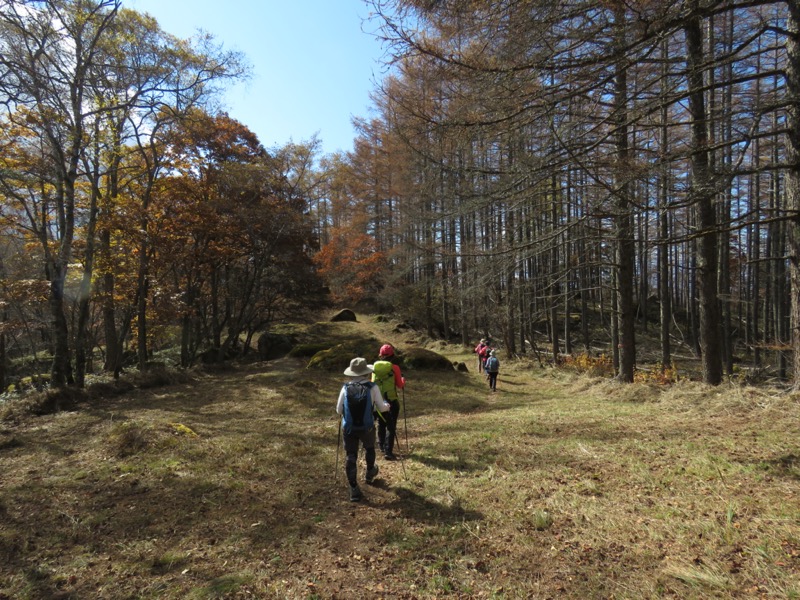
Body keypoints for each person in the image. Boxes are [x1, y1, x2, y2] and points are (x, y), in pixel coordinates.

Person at [336, 357, 391, 502]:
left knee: (351, 455)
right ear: (366, 372)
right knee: (370, 448)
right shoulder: (373, 387)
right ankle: (370, 472)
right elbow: (382, 408)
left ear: (352, 373)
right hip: (367, 426)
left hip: (349, 427)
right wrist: (387, 405)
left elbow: (338, 410)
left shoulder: (345, 387)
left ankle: (353, 488)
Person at [371, 343, 405, 461]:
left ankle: (381, 445)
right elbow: (399, 385)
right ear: (392, 355)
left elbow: (372, 383)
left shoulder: (374, 367)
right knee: (391, 426)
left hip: (378, 400)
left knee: (381, 422)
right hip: (391, 400)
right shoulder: (395, 368)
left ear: (380, 355)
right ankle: (388, 451)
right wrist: (402, 380)